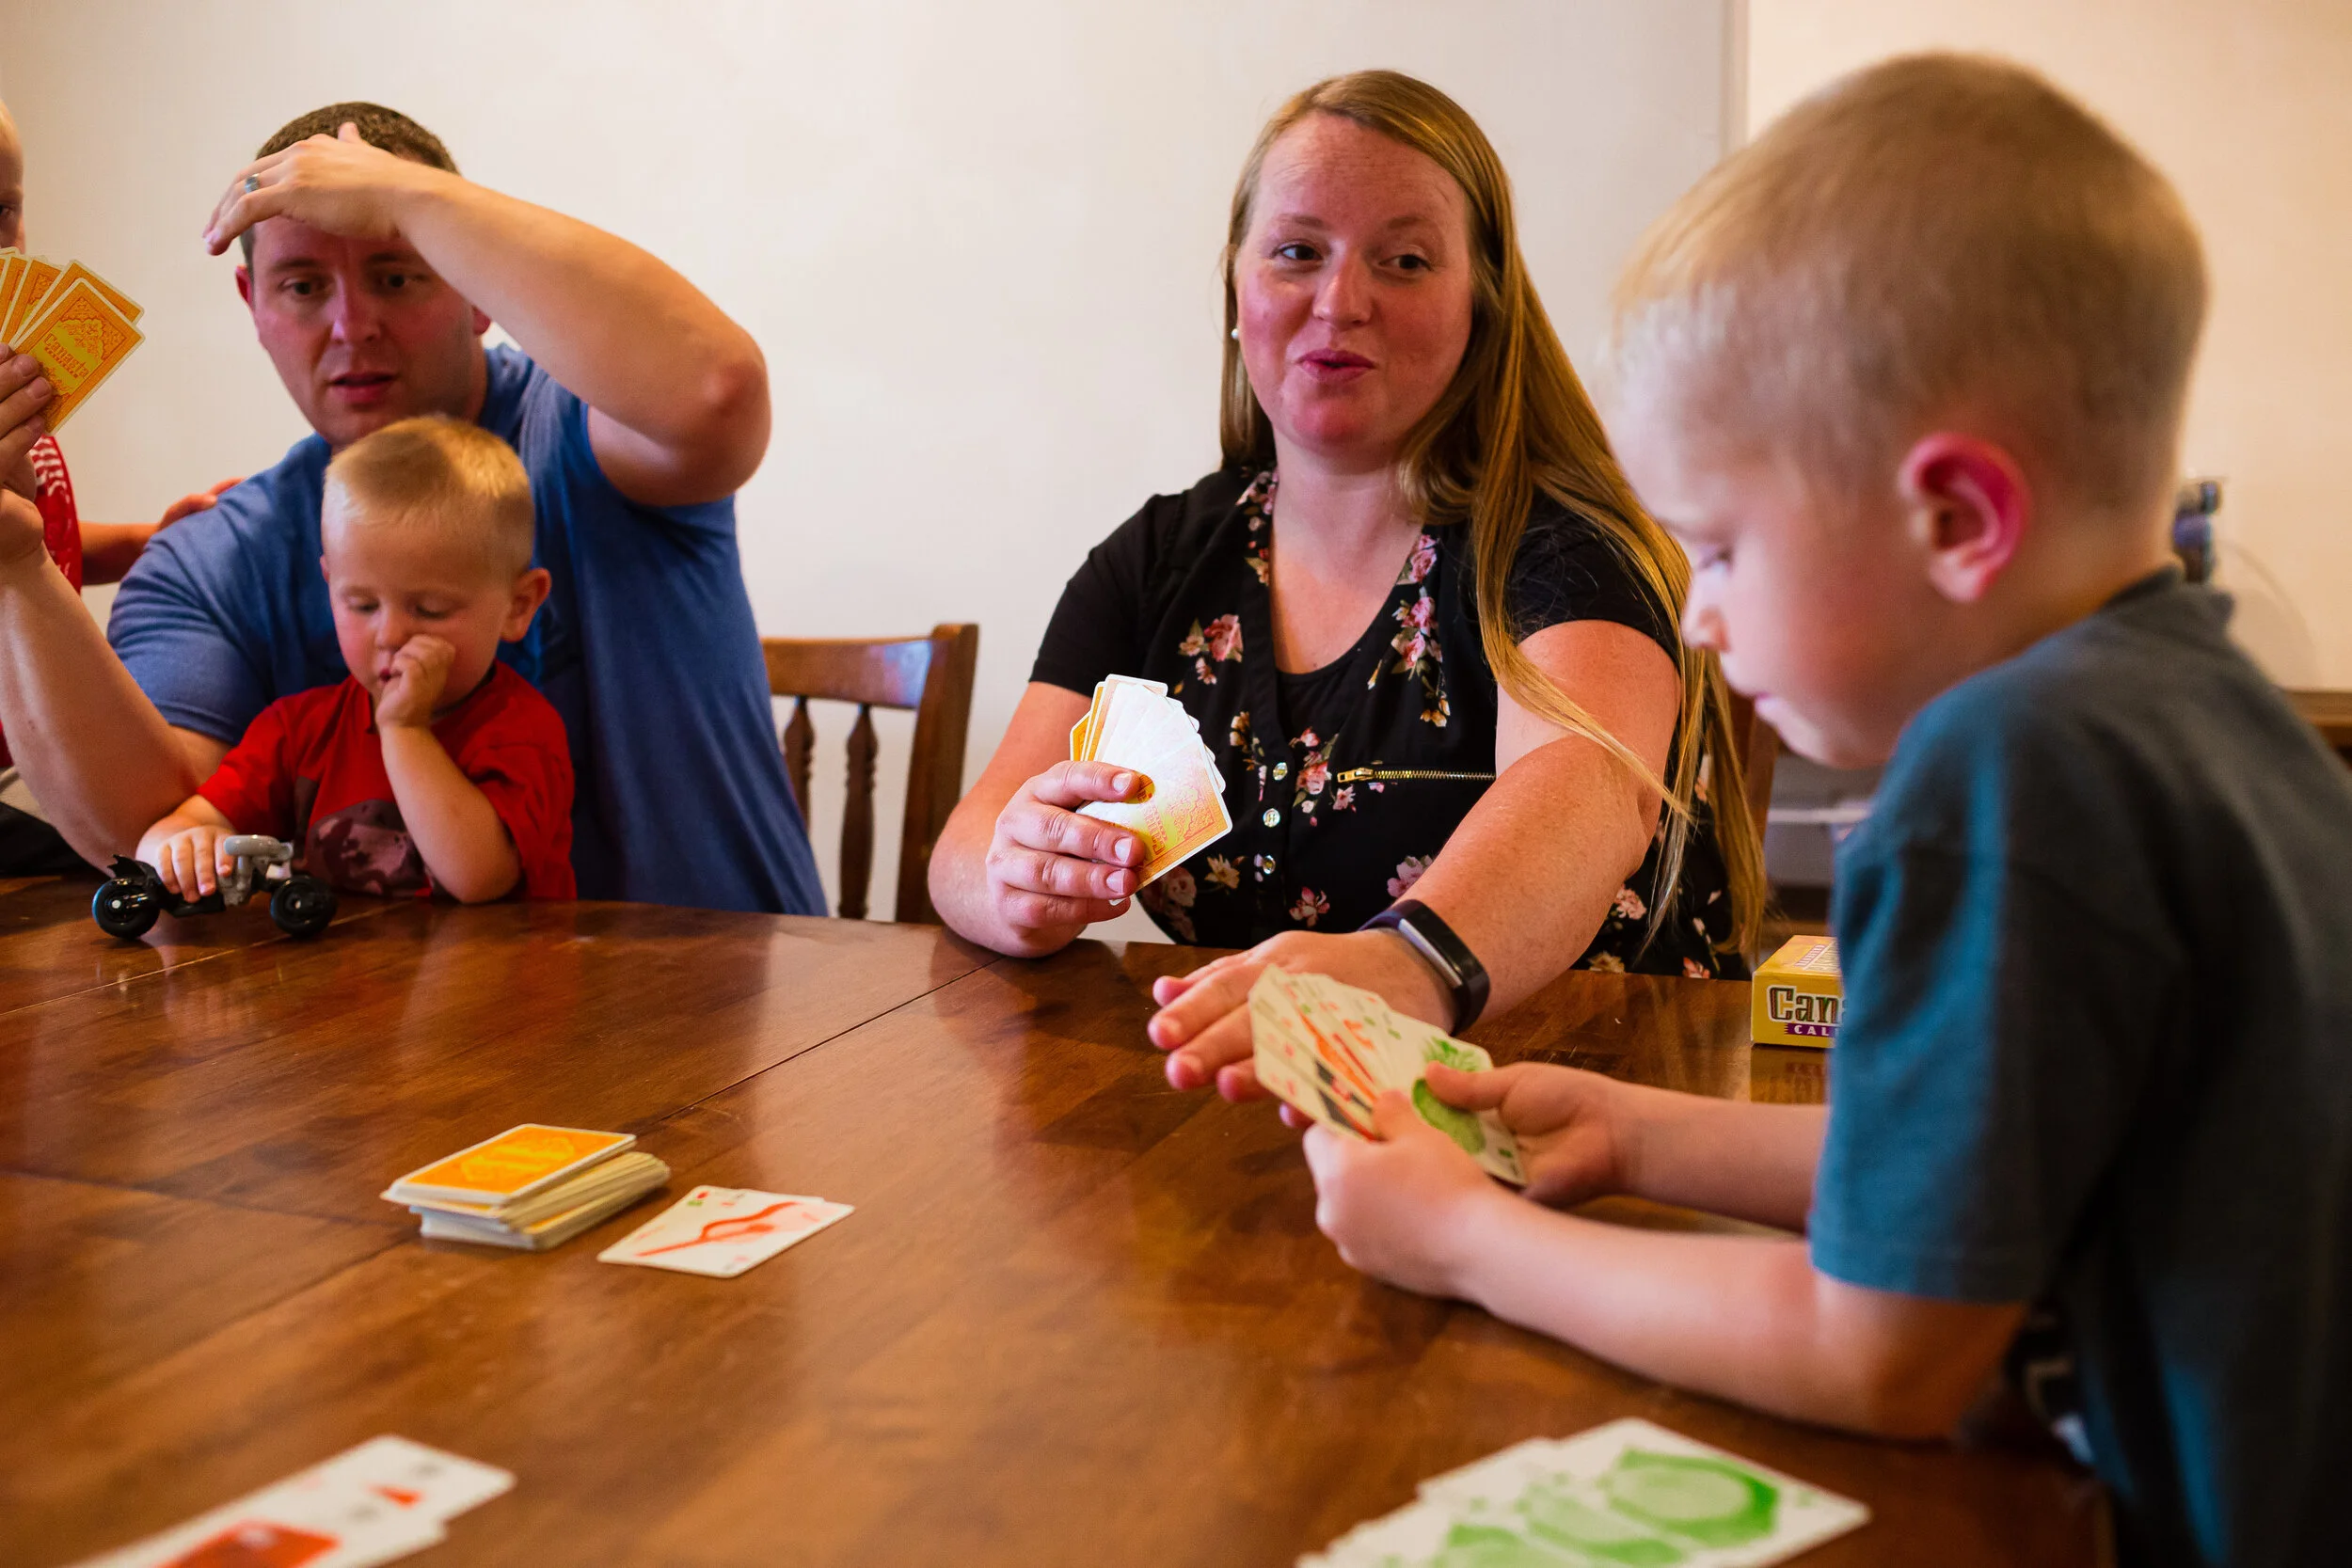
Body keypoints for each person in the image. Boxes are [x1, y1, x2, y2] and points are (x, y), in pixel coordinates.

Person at [1304, 55, 2352, 1568]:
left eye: (1724, 549)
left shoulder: (2005, 772)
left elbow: (1880, 1352)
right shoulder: (2213, 716)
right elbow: (1984, 1163)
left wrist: (1468, 1241)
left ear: (1958, 517)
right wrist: (1637, 1130)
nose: (1702, 621)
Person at [930, 71, 1763, 1092]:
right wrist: (1014, 878)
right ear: (1236, 289)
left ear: (1481, 303)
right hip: (1258, 1116)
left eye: (1404, 260)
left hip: (1586, 1111)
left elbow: (1590, 789)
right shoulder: (1159, 558)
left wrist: (1412, 965)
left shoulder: (1561, 546)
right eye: (1297, 252)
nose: (1340, 302)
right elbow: (969, 843)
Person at [0, 103, 821, 913]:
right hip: (406, 1006)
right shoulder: (212, 554)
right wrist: (18, 559)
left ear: (476, 287)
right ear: (253, 304)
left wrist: (410, 198)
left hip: (739, 990)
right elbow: (147, 831)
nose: (352, 326)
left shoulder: (591, 430)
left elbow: (715, 392)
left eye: (397, 275)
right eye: (303, 286)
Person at [139, 417, 572, 903]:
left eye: (430, 609)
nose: (390, 635)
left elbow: (477, 878)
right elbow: (176, 829)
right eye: (362, 605)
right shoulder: (300, 730)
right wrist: (185, 848)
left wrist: (404, 731)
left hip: (502, 954)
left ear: (518, 607)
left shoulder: (520, 731)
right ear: (330, 584)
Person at [0, 98, 237, 875]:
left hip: (25, 750)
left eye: (1, 211)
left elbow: (48, 531)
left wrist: (141, 543)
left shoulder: (18, 384)